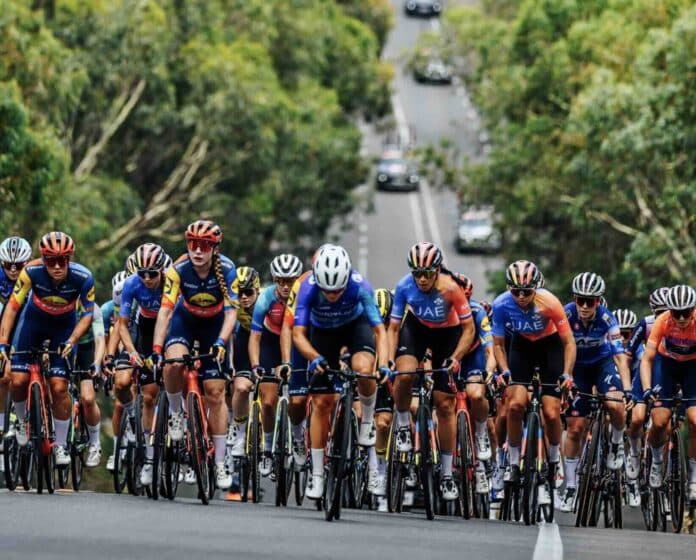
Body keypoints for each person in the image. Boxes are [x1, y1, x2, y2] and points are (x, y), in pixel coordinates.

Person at [292, 244, 390, 499]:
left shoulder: (360, 286)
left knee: (363, 369)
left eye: (337, 290)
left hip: (354, 327)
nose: (332, 295)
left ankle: (367, 420)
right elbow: (298, 334)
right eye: (328, 290)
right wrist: (313, 358)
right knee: (323, 402)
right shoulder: (308, 288)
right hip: (322, 333)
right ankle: (316, 474)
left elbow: (380, 331)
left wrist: (385, 364)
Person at [151, 220, 238, 490]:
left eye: (204, 246)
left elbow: (232, 312)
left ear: (214, 248)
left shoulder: (227, 270)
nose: (198, 251)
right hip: (185, 321)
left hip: (214, 326)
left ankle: (221, 460)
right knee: (174, 363)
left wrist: (222, 341)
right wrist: (156, 349)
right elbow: (165, 312)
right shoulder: (177, 270)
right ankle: (176, 413)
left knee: (214, 392)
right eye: (193, 244)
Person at [388, 242, 476, 501]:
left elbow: (469, 329)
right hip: (417, 329)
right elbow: (393, 328)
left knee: (446, 405)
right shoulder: (405, 286)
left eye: (427, 273)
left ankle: (447, 474)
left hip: (447, 335)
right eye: (417, 273)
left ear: (438, 271)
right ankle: (404, 425)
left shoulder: (451, 289)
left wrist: (456, 357)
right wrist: (388, 360)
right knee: (404, 375)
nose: (422, 279)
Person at [0, 232, 95, 467]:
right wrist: (3, 343)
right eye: (50, 260)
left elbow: (88, 314)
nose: (56, 266)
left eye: (62, 260)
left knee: (59, 386)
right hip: (32, 322)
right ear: (42, 259)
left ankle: (61, 444)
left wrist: (72, 340)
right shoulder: (30, 272)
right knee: (18, 379)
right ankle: (21, 421)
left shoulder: (83, 277)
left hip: (64, 328)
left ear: (69, 259)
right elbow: (12, 308)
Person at [491, 260, 576, 506]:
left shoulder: (549, 303)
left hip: (550, 347)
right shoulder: (501, 304)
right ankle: (514, 462)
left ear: (535, 289)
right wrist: (505, 370)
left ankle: (552, 461)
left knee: (551, 412)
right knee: (515, 405)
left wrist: (567, 373)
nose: (520, 297)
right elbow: (497, 344)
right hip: (522, 346)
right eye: (515, 291)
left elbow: (569, 342)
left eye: (526, 292)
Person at [559, 273, 630, 512]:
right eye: (581, 300)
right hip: (577, 367)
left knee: (614, 404)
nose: (586, 306)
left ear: (599, 301)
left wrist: (627, 390)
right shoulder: (565, 315)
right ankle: (570, 486)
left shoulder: (607, 318)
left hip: (602, 365)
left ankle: (616, 443)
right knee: (576, 427)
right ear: (574, 299)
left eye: (592, 301)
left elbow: (620, 356)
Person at [107, 243, 168, 486]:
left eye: (151, 274)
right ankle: (134, 421)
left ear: (162, 270)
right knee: (131, 387)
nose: (146, 279)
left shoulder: (172, 280)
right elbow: (120, 325)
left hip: (168, 325)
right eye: (141, 274)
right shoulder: (129, 285)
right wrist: (129, 353)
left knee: (166, 380)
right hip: (140, 329)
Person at [248, 254, 303, 476]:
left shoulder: (304, 298)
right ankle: (268, 450)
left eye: (290, 281)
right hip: (271, 343)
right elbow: (255, 337)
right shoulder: (265, 298)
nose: (284, 286)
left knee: (300, 399)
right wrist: (255, 366)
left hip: (297, 344)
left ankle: (299, 439)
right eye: (280, 280)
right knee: (268, 402)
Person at [640, 284, 696, 500]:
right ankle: (656, 461)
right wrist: (646, 388)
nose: (681, 318)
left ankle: (693, 478)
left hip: (692, 368)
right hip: (667, 366)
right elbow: (647, 358)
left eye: (686, 312)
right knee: (660, 420)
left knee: (694, 419)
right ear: (669, 311)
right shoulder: (663, 321)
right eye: (676, 313)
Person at [0, 236, 32, 456]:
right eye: (7, 265)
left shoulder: (34, 275)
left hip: (29, 321)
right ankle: (2, 425)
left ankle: (38, 414)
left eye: (18, 265)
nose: (13, 269)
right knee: (3, 375)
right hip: (6, 320)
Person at [227, 266, 261, 457]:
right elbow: (229, 336)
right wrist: (230, 366)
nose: (244, 297)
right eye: (240, 293)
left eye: (249, 292)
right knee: (238, 387)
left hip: (267, 343)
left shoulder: (267, 302)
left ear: (257, 289)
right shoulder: (233, 303)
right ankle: (239, 432)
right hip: (243, 340)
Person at [614, 307, 641, 506]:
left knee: (635, 426)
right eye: (619, 332)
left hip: (634, 386)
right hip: (615, 386)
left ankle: (632, 480)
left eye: (627, 334)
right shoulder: (609, 345)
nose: (623, 338)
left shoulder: (639, 349)